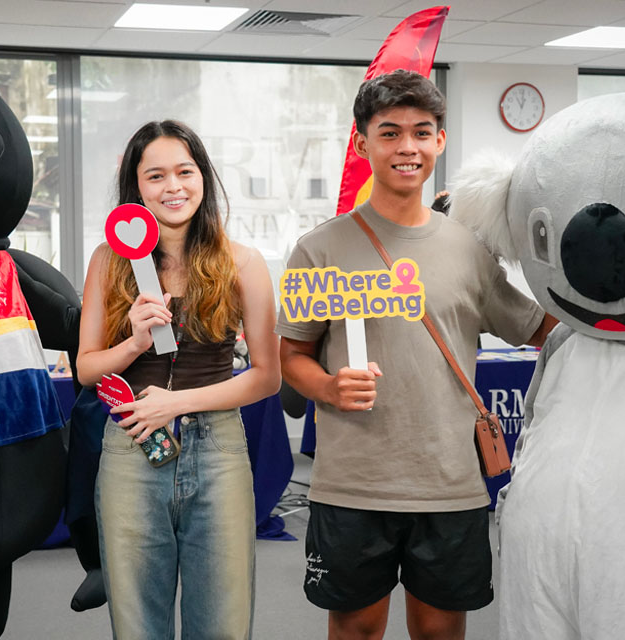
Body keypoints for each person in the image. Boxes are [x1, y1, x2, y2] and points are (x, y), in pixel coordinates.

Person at [276, 70, 557, 640]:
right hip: (354, 483)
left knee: (439, 632)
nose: (408, 147)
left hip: (450, 480)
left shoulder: (470, 249)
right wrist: (328, 387)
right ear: (362, 143)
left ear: (440, 142)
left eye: (421, 132)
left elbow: (535, 327)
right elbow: (293, 356)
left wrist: (621, 324)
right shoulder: (319, 248)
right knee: (355, 629)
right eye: (390, 133)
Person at [78, 120, 280, 639]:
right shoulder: (108, 262)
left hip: (218, 451)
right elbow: (86, 368)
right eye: (156, 176)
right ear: (136, 187)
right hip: (131, 449)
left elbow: (266, 378)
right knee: (137, 622)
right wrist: (135, 344)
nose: (173, 187)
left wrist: (175, 402)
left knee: (222, 622)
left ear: (204, 179)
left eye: (185, 172)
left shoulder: (244, 263)